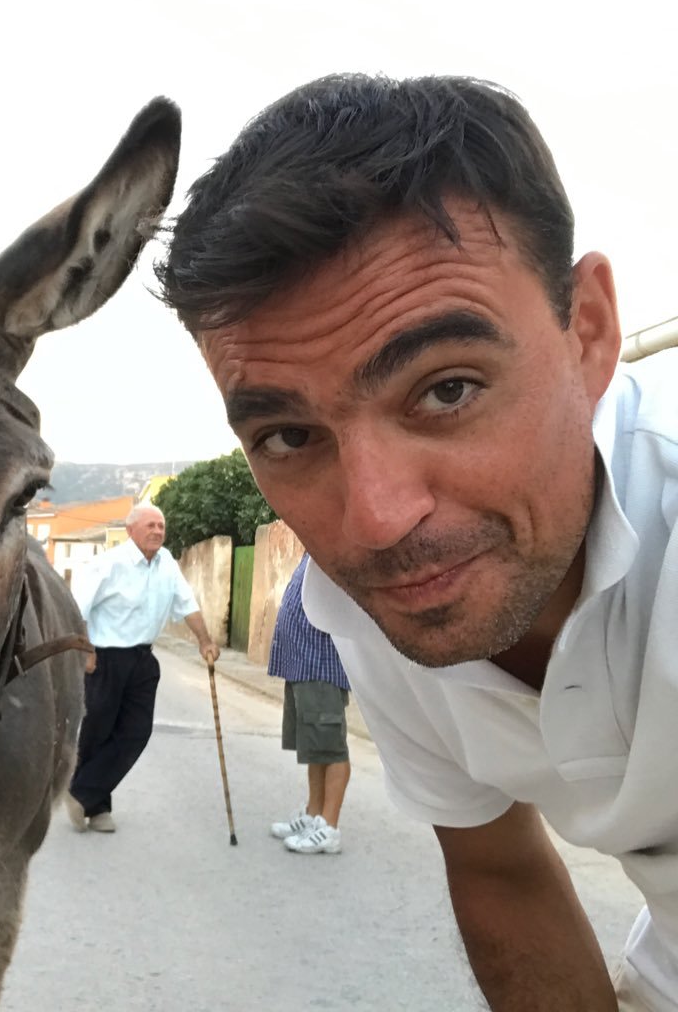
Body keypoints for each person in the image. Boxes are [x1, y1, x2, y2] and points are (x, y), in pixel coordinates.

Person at [156, 73, 678, 1010]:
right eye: (287, 437)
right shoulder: (371, 609)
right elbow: (497, 866)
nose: (378, 520)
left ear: (588, 333)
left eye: (446, 390)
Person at [66, 503, 220, 833]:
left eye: (161, 526)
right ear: (130, 529)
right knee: (97, 731)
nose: (157, 531)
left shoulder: (167, 565)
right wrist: (86, 650)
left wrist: (204, 640)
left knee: (136, 732)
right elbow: (79, 607)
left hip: (142, 660)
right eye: (150, 525)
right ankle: (98, 806)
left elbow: (187, 604)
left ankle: (81, 792)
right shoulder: (109, 563)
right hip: (105, 658)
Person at [268, 552, 352, 855]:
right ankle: (314, 815)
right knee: (316, 747)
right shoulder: (313, 552)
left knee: (332, 747)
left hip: (322, 665)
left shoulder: (336, 551)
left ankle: (329, 827)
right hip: (302, 666)